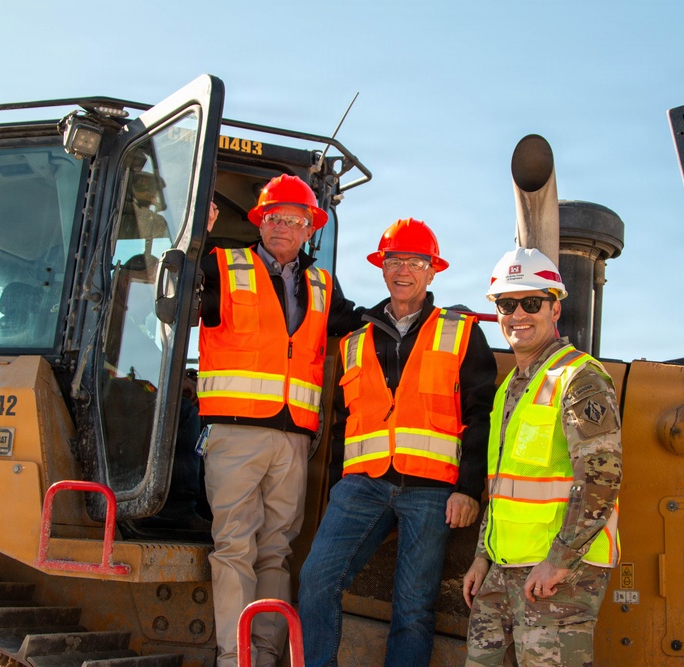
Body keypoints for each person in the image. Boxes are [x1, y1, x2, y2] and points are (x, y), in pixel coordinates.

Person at [298, 219, 497, 667]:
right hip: (361, 486)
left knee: (413, 606)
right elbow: (344, 425)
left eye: (415, 262)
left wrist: (469, 489)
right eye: (394, 261)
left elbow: (480, 415)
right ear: (381, 268)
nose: (403, 270)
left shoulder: (461, 331)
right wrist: (336, 489)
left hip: (431, 490)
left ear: (432, 271)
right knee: (316, 580)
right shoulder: (355, 340)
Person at [196, 174, 365, 667]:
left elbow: (357, 324)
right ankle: (236, 657)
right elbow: (176, 298)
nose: (282, 228)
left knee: (276, 551)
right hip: (236, 432)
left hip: (293, 439)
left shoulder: (322, 285)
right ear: (260, 223)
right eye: (274, 218)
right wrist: (193, 239)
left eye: (294, 220)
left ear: (310, 229)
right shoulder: (221, 265)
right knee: (234, 546)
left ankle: (266, 655)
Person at [462, 247, 622, 667]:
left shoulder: (579, 378)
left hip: (558, 575)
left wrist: (559, 561)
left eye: (532, 303)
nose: (518, 314)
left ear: (555, 309)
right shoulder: (510, 387)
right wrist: (483, 555)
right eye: (507, 304)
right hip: (504, 569)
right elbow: (502, 487)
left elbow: (602, 478)